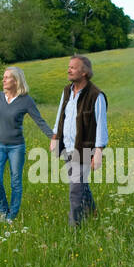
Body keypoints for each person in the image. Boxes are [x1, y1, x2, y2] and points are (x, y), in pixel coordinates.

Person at [0, 66, 54, 222]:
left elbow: (39, 120)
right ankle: (4, 211)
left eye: (7, 77)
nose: (3, 79)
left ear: (16, 80)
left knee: (16, 182)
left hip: (16, 147)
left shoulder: (26, 100)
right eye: (3, 77)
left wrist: (53, 137)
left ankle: (12, 215)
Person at [49, 56, 108, 227]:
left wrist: (98, 152)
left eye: (73, 67)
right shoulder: (67, 90)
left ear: (84, 72)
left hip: (85, 148)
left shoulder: (96, 96)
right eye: (69, 67)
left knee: (75, 191)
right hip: (67, 146)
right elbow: (61, 115)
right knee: (81, 185)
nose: (69, 70)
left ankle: (75, 230)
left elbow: (101, 127)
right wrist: (55, 138)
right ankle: (93, 212)